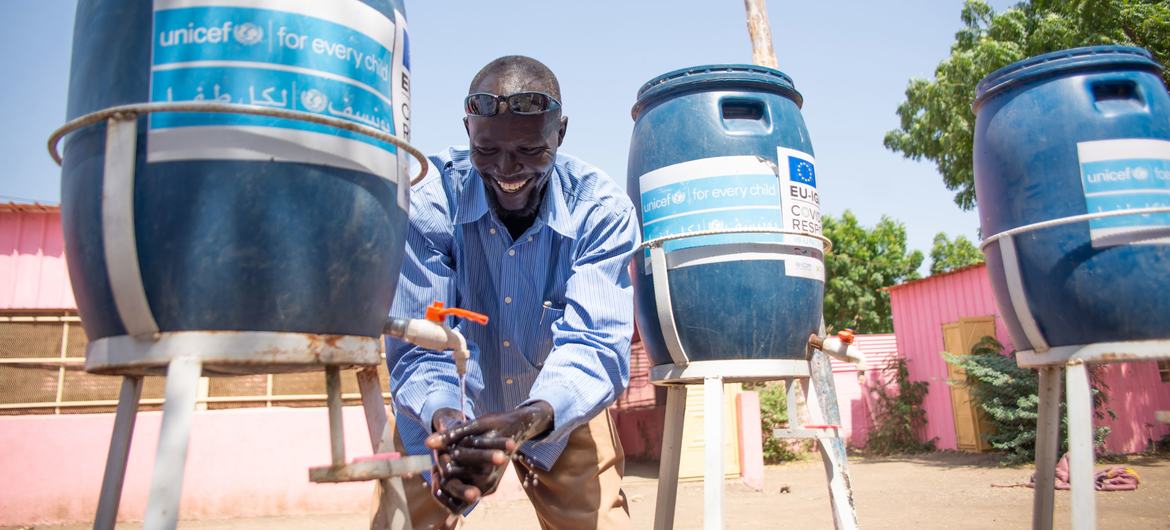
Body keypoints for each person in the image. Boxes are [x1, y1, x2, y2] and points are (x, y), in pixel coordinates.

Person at [385, 55, 639, 529]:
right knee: (408, 522)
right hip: (447, 408)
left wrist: (527, 421)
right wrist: (446, 424)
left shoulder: (600, 211)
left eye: (529, 150)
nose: (506, 169)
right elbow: (421, 345)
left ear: (559, 133)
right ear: (468, 130)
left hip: (559, 406)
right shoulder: (428, 204)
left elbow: (596, 345)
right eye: (486, 150)